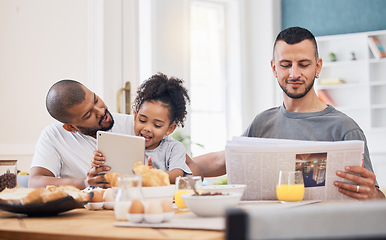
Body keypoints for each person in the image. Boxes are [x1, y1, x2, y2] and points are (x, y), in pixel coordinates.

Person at [193, 27, 385, 200]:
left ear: (317, 67)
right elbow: (224, 159)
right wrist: (174, 165)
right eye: (285, 64)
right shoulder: (262, 122)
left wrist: (373, 195)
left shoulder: (344, 128)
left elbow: (377, 203)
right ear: (274, 68)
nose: (294, 74)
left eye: (303, 64)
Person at [29, 79, 199, 189]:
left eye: (96, 100)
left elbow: (183, 163)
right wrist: (84, 182)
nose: (101, 111)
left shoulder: (136, 125)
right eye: (88, 115)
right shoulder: (54, 135)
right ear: (70, 127)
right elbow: (35, 182)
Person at [93, 73, 192, 184]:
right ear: (135, 117)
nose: (147, 128)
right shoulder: (125, 144)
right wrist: (99, 161)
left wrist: (152, 174)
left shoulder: (174, 148)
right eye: (142, 120)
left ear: (170, 129)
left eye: (157, 125)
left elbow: (177, 175)